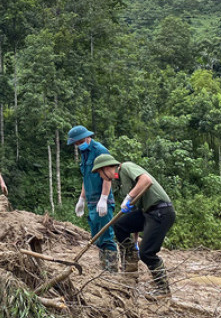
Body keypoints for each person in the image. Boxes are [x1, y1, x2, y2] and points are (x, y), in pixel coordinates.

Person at [91, 154, 175, 297]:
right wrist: (134, 241)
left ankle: (163, 289)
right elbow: (135, 212)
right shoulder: (120, 182)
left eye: (100, 173)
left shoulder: (126, 167)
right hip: (146, 213)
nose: (101, 177)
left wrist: (129, 197)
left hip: (161, 211)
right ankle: (131, 264)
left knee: (147, 253)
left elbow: (146, 180)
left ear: (105, 168)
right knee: (120, 225)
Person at [67, 125, 118, 271]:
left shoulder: (100, 151)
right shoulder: (84, 154)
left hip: (103, 201)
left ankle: (112, 271)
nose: (78, 145)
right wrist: (81, 199)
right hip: (91, 201)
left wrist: (104, 198)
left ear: (86, 137)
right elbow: (86, 177)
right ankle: (104, 269)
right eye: (76, 144)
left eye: (79, 142)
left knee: (106, 235)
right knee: (97, 237)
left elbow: (109, 176)